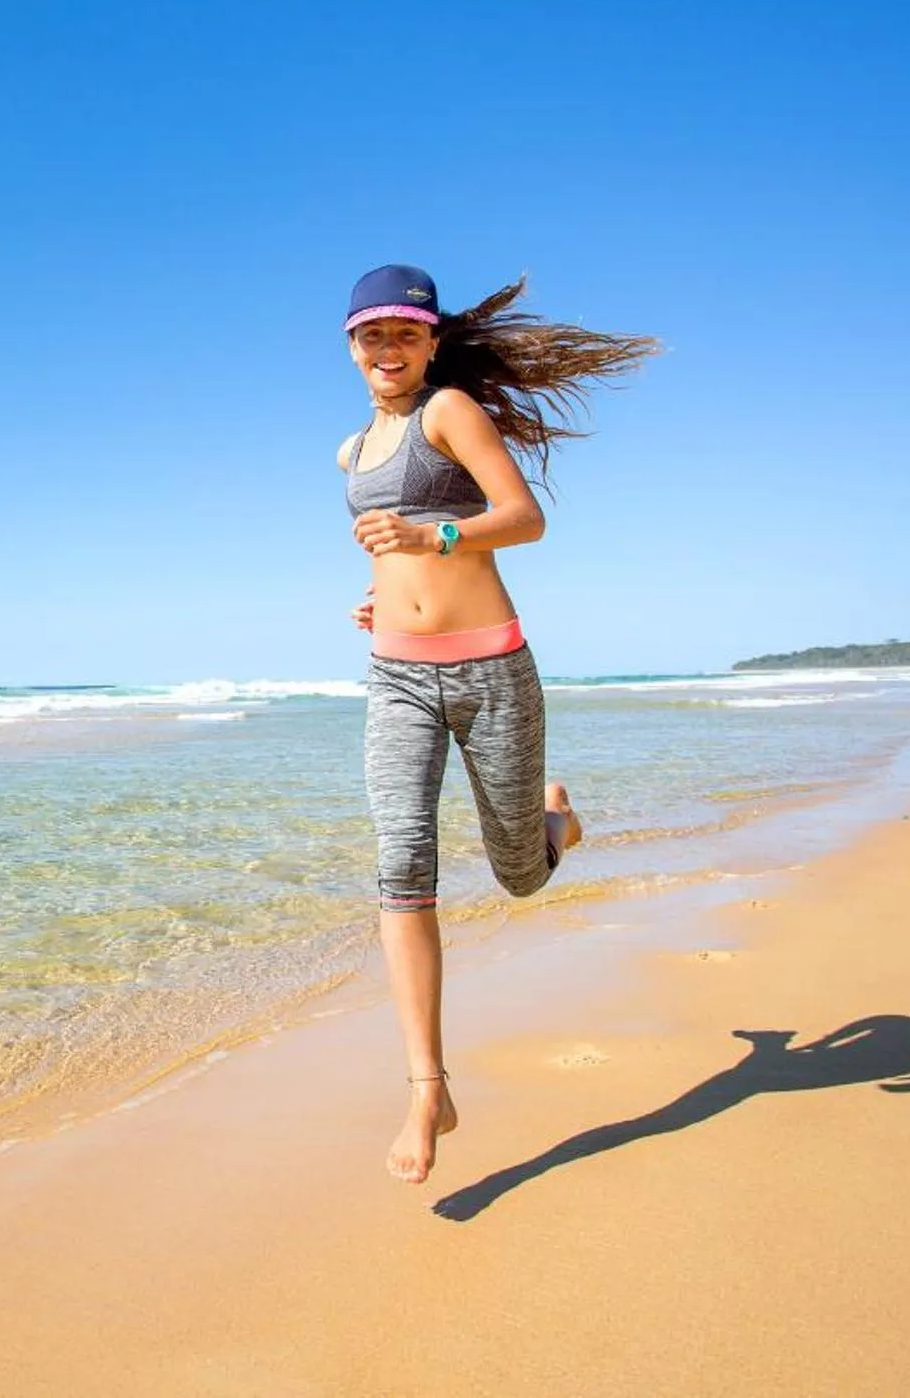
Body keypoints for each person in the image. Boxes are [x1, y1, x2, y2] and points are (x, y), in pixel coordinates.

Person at [338, 263, 656, 1183]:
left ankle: (558, 821)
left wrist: (433, 539)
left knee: (520, 875)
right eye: (371, 336)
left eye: (405, 334)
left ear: (431, 341)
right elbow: (388, 549)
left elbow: (522, 518)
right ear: (351, 347)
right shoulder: (351, 454)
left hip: (492, 675)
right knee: (401, 864)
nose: (388, 350)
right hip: (396, 677)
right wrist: (379, 596)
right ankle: (428, 1085)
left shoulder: (449, 413)